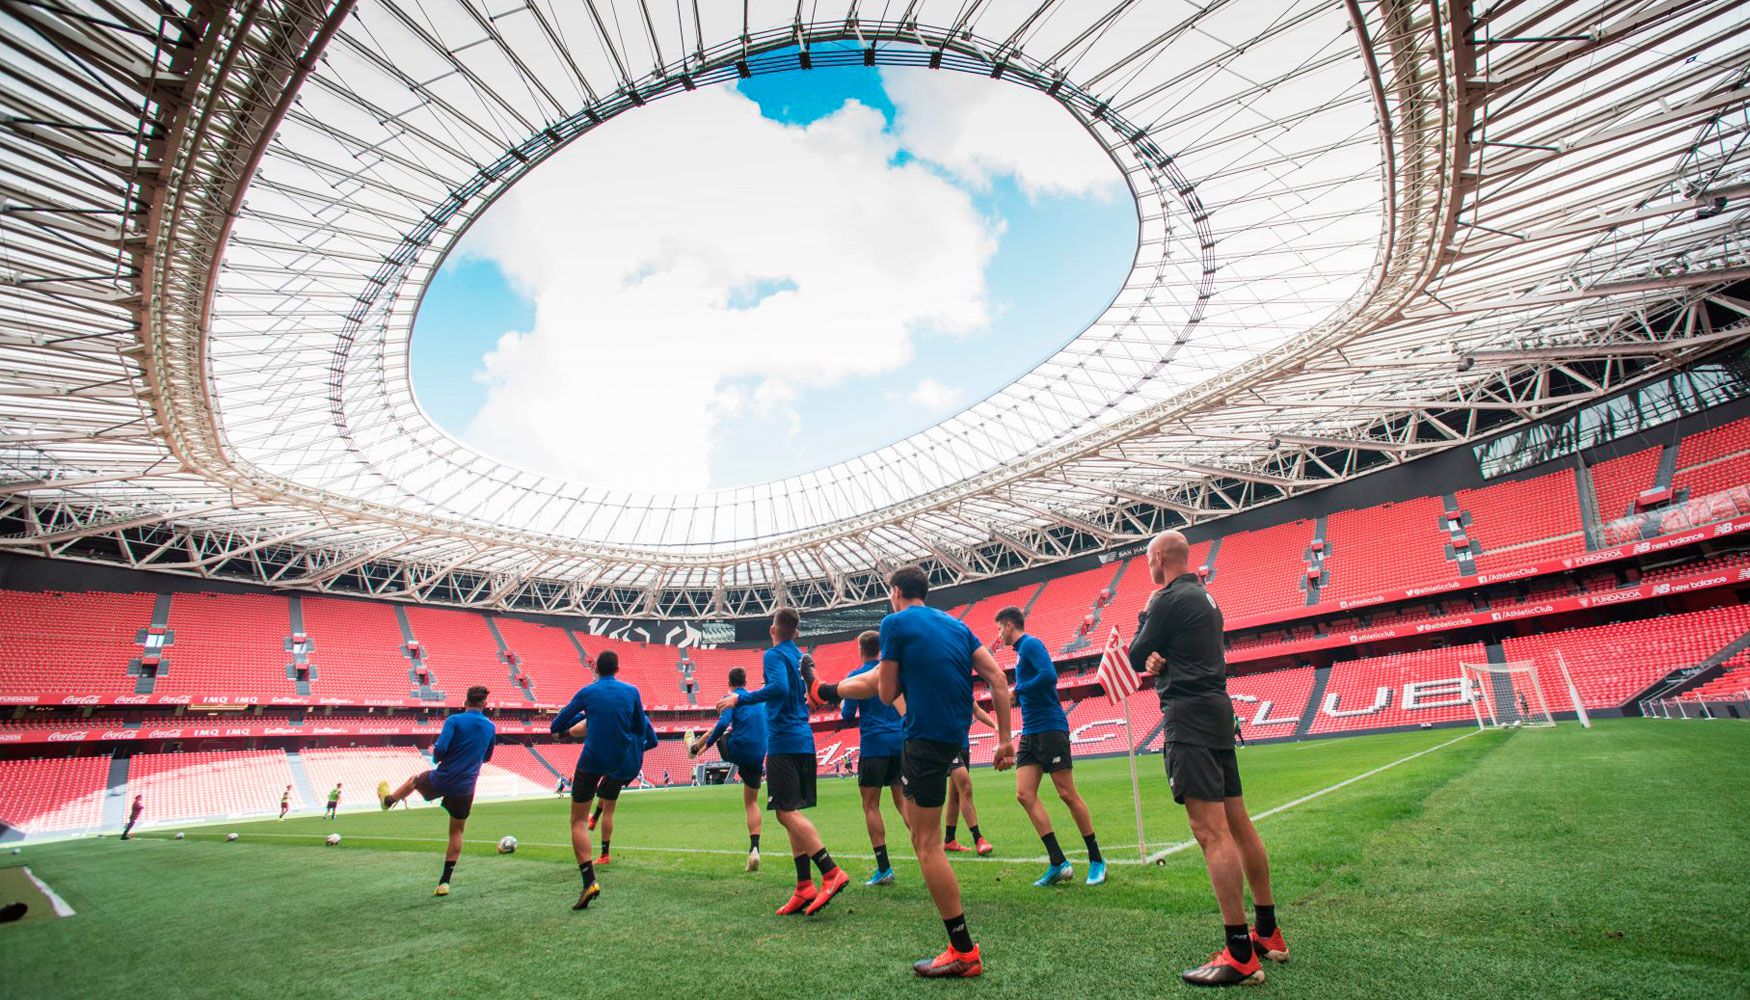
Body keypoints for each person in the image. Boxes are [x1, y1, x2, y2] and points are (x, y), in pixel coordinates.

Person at [811, 565, 1016, 978]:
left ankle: (963, 950)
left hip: (921, 740)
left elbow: (884, 692)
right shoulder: (956, 626)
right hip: (953, 739)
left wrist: (888, 675)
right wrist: (1006, 740)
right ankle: (824, 690)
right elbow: (997, 678)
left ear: (897, 591)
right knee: (928, 835)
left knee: (927, 845)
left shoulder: (894, 623)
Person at [1130, 530, 1286, 987]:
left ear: (1159, 558)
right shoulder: (1206, 597)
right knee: (1238, 822)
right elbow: (1157, 654)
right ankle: (1267, 932)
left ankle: (1239, 953)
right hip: (1218, 711)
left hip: (1190, 717)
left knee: (1211, 831)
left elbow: (1139, 650)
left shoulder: (1165, 598)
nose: (1149, 568)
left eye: (1148, 561)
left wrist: (1148, 628)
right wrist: (1159, 656)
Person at [715, 609, 849, 917]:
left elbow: (779, 689)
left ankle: (830, 872)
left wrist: (740, 699)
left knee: (785, 815)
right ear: (796, 633)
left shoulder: (773, 655)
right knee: (791, 812)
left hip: (785, 742)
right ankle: (804, 886)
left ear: (774, 628)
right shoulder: (799, 656)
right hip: (803, 739)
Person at [995, 606, 1106, 888]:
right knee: (1023, 794)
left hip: (1050, 727)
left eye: (999, 628)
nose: (999, 634)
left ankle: (1096, 859)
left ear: (1009, 625)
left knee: (1067, 793)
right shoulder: (1021, 652)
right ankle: (1058, 862)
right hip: (1031, 731)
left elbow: (1049, 676)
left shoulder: (1031, 644)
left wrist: (1017, 691)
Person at [551, 650, 658, 910]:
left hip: (592, 760)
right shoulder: (632, 691)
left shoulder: (588, 692)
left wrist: (576, 723)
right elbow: (638, 727)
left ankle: (589, 880)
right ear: (617, 668)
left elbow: (556, 724)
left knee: (577, 820)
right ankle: (603, 843)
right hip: (620, 761)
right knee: (608, 802)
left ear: (596, 669)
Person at [380, 685, 497, 897]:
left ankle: (389, 801)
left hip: (443, 778)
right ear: (485, 705)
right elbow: (488, 757)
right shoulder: (490, 727)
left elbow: (441, 749)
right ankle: (444, 882)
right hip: (466, 786)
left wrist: (437, 758)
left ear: (465, 702)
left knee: (414, 780)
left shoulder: (454, 721)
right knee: (457, 832)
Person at [839, 629, 908, 886]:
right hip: (898, 744)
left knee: (871, 806)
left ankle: (884, 868)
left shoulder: (856, 676)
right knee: (903, 804)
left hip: (873, 746)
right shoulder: (892, 672)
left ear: (860, 650)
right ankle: (928, 855)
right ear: (880, 649)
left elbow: (846, 715)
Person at [692, 665, 768, 872]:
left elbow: (722, 723)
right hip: (759, 753)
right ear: (746, 682)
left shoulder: (731, 698)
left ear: (729, 683)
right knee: (751, 802)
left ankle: (695, 748)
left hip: (739, 748)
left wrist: (706, 746)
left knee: (720, 734)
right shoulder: (756, 699)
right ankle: (754, 850)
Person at [942, 703, 995, 856]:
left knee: (955, 795)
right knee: (965, 787)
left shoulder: (963, 689)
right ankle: (978, 838)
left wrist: (995, 725)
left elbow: (977, 711)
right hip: (948, 745)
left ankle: (949, 840)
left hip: (963, 746)